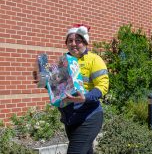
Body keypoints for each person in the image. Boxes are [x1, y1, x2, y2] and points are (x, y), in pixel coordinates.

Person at [34, 24, 109, 153]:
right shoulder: (63, 62)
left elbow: (102, 86)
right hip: (70, 119)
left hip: (89, 117)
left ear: (85, 42)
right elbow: (58, 88)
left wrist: (85, 97)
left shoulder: (94, 60)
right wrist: (44, 82)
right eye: (70, 40)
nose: (73, 44)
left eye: (78, 40)